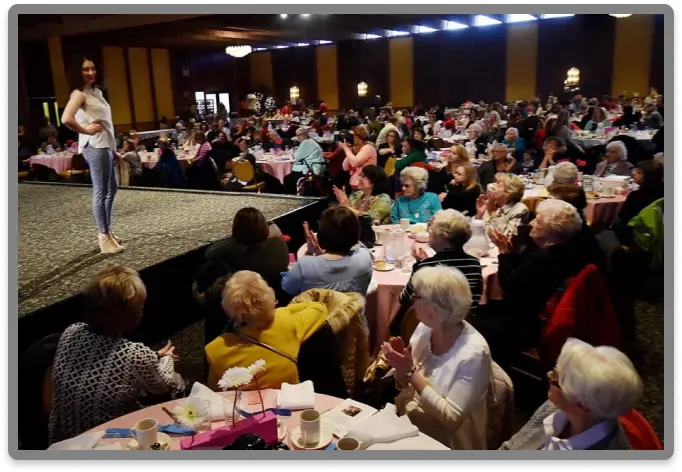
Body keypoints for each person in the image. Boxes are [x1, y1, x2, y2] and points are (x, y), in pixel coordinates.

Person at [49, 266, 183, 444]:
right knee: (178, 381)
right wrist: (166, 359)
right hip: (105, 441)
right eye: (140, 308)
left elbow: (101, 362)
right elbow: (162, 385)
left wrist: (154, 356)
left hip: (63, 438)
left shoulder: (71, 332)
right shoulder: (134, 355)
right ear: (127, 314)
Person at [383, 266, 492, 450]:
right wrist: (401, 369)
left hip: (446, 442)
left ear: (433, 308)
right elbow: (404, 387)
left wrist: (410, 373)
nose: (412, 301)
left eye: (416, 297)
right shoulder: (425, 328)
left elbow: (450, 418)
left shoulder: (474, 353)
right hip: (409, 425)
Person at [480, 200, 592, 357]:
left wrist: (503, 253)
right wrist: (509, 252)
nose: (531, 223)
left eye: (537, 221)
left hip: (525, 323)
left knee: (478, 315)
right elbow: (522, 272)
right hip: (537, 309)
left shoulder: (545, 260)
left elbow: (510, 287)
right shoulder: (568, 250)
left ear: (552, 233)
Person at [500, 338, 642, 450]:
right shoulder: (554, 408)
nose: (549, 375)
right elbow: (511, 447)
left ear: (582, 404)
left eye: (557, 377)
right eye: (555, 369)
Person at [205, 271, 328, 390]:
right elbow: (319, 308)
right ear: (270, 293)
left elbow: (215, 391)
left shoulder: (215, 350)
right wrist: (281, 310)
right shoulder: (288, 320)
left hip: (244, 408)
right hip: (291, 403)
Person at [61, 55, 124, 254]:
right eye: (85, 69)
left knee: (111, 189)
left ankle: (107, 232)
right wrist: (85, 130)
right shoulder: (79, 94)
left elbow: (106, 124)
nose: (91, 73)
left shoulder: (95, 92)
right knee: (101, 191)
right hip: (94, 146)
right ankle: (103, 236)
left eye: (93, 68)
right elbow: (66, 119)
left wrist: (113, 149)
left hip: (105, 145)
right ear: (77, 73)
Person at [390, 209, 484, 335]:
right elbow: (474, 301)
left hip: (429, 328)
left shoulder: (426, 267)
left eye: (432, 231)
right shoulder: (474, 264)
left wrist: (419, 266)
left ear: (444, 236)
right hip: (463, 326)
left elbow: (405, 299)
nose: (430, 233)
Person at [283, 206, 373, 297]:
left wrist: (309, 253)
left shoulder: (305, 265)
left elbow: (287, 287)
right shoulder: (364, 257)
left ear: (321, 233)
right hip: (355, 311)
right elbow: (357, 243)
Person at [611, 159, 664, 245]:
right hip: (660, 231)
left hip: (637, 232)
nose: (634, 174)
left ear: (649, 176)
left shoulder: (636, 195)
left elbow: (622, 216)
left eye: (639, 173)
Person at [475, 173, 529, 247]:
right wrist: (479, 214)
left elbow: (504, 239)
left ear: (509, 192)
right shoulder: (491, 203)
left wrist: (491, 213)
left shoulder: (519, 210)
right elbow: (475, 232)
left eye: (498, 185)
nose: (492, 187)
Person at [284, 128, 325, 194]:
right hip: (315, 166)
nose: (298, 137)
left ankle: (291, 197)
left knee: (287, 179)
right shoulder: (311, 141)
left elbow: (297, 157)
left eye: (300, 135)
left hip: (309, 169)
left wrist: (294, 153)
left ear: (306, 134)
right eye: (297, 135)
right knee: (288, 178)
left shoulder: (306, 143)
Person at [339, 126, 377, 191]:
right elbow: (345, 167)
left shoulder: (368, 148)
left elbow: (354, 163)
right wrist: (349, 150)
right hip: (355, 184)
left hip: (364, 185)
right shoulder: (357, 149)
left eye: (352, 136)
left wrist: (346, 149)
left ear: (359, 138)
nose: (350, 138)